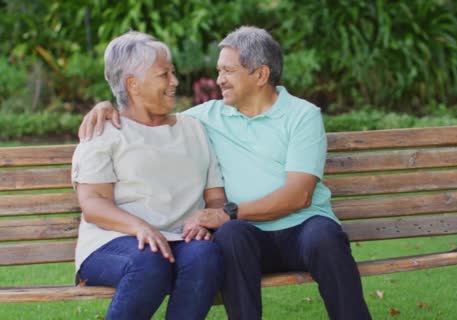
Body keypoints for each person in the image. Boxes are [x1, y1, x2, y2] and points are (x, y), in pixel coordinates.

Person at [80, 26, 371, 320]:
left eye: (228, 71)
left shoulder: (301, 115)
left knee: (323, 236)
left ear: (261, 75)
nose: (219, 80)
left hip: (302, 229)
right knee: (230, 236)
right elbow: (145, 119)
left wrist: (226, 212)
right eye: (219, 70)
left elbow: (300, 195)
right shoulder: (206, 117)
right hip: (247, 235)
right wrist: (105, 105)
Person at [72, 31, 225, 320]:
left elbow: (215, 197)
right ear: (133, 84)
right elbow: (93, 204)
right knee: (150, 261)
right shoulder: (104, 132)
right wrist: (140, 227)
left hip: (182, 240)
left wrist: (209, 218)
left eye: (173, 72)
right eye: (163, 75)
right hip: (113, 242)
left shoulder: (193, 128)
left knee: (206, 257)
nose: (174, 82)